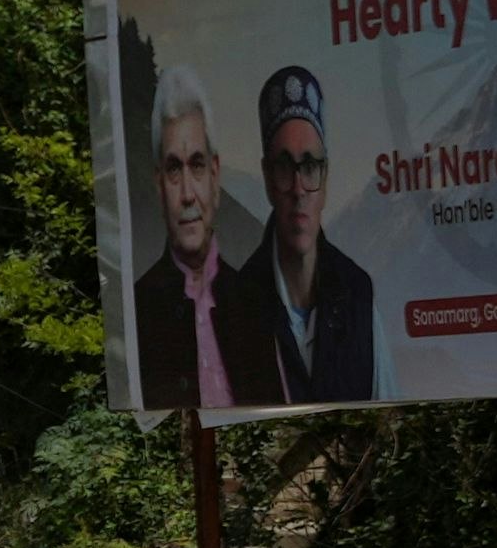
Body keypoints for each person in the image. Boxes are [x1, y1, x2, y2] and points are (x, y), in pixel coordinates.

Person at [130, 64, 284, 409]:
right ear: (159, 185)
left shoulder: (254, 305)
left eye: (197, 165)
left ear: (215, 175)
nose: (187, 194)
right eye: (174, 169)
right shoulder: (137, 313)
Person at [231, 65, 381, 404]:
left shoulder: (358, 295)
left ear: (325, 179)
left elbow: (387, 401)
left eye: (310, 165)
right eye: (285, 166)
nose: (299, 189)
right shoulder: (237, 308)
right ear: (268, 178)